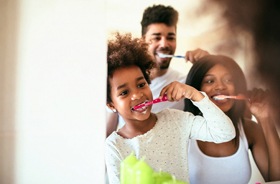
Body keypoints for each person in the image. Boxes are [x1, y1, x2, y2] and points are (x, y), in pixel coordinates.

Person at [105, 33, 235, 184]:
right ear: (111, 104)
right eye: (124, 92)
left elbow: (225, 133)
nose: (137, 95)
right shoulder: (114, 146)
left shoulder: (176, 120)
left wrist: (194, 95)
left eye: (141, 85)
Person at [106, 4, 209, 137]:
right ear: (143, 40)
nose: (164, 44)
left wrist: (209, 65)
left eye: (170, 37)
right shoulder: (117, 83)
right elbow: (106, 135)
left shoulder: (184, 84)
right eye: (156, 37)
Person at [184, 54, 280, 184]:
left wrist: (265, 119)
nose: (221, 87)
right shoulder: (183, 128)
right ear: (196, 88)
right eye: (209, 81)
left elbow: (276, 179)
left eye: (229, 80)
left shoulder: (249, 129)